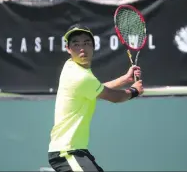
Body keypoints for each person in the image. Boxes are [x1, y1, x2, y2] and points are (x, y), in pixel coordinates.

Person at [48, 24, 144, 172]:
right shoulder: (80, 76)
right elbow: (114, 97)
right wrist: (134, 91)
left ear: (93, 46)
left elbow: (97, 89)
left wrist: (125, 79)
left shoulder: (73, 67)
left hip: (77, 151)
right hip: (66, 152)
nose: (82, 48)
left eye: (86, 43)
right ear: (68, 48)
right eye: (76, 44)